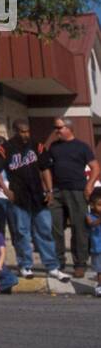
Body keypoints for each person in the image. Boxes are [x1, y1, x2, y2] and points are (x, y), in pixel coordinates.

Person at [0, 121, 66, 280]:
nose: (25, 135)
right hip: (18, 196)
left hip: (38, 195)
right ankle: (25, 265)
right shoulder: (4, 149)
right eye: (21, 131)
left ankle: (52, 266)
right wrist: (5, 190)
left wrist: (49, 190)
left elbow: (45, 168)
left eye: (27, 131)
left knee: (45, 231)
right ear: (14, 131)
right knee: (22, 233)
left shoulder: (37, 146)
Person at [46, 117, 99, 278]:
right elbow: (45, 166)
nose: (56, 131)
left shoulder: (82, 147)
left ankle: (80, 264)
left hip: (77, 190)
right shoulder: (53, 147)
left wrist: (89, 185)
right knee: (56, 228)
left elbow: (95, 167)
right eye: (55, 127)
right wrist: (48, 190)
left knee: (79, 228)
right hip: (57, 191)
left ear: (69, 128)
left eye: (59, 128)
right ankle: (58, 263)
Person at [87, 189, 101, 297]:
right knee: (99, 270)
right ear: (92, 205)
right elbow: (92, 224)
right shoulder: (89, 216)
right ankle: (100, 286)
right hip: (97, 248)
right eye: (100, 205)